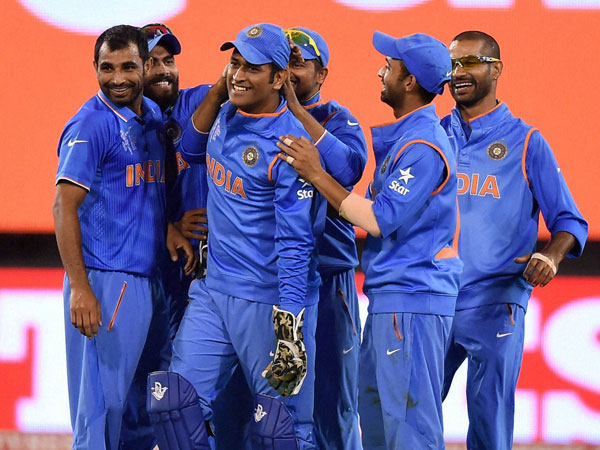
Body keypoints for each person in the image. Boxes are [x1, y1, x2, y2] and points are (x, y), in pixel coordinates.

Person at [279, 32, 462, 450]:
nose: (381, 72)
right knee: (378, 427)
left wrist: (315, 173)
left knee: (410, 432)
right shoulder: (409, 136)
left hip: (413, 300)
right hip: (391, 298)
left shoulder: (423, 145)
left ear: (410, 81)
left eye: (390, 67)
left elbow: (378, 219)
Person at [146, 23, 325, 450]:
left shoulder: (291, 145)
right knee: (175, 408)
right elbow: (190, 149)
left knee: (282, 432)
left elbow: (296, 242)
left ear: (279, 78)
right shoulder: (225, 115)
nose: (238, 75)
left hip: (268, 301)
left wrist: (290, 324)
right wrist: (219, 91)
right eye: (234, 63)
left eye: (252, 68)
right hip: (214, 291)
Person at [440, 30, 588, 450]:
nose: (459, 73)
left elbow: (570, 220)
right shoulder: (431, 134)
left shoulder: (526, 142)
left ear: (496, 69)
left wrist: (551, 256)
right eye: (453, 64)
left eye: (471, 62)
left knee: (489, 424)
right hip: (434, 297)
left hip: (496, 299)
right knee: (413, 416)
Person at [52, 25, 193, 450]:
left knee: (141, 410)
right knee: (102, 412)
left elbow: (135, 191)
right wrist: (80, 288)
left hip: (149, 282)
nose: (117, 79)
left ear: (144, 66)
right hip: (106, 280)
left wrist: (166, 228)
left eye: (128, 67)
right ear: (94, 68)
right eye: (107, 68)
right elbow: (63, 207)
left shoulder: (150, 116)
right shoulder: (90, 125)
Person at [283, 26, 368, 450]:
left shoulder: (338, 119)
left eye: (298, 63)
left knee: (333, 403)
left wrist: (296, 110)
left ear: (322, 75)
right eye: (282, 61)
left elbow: (349, 170)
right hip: (268, 283)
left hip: (329, 280)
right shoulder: (249, 115)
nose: (288, 71)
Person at [140, 23, 213, 340]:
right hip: (155, 266)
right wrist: (167, 226)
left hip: (206, 267)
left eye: (168, 60)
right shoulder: (122, 126)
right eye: (151, 62)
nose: (163, 70)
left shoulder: (199, 102)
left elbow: (234, 86)